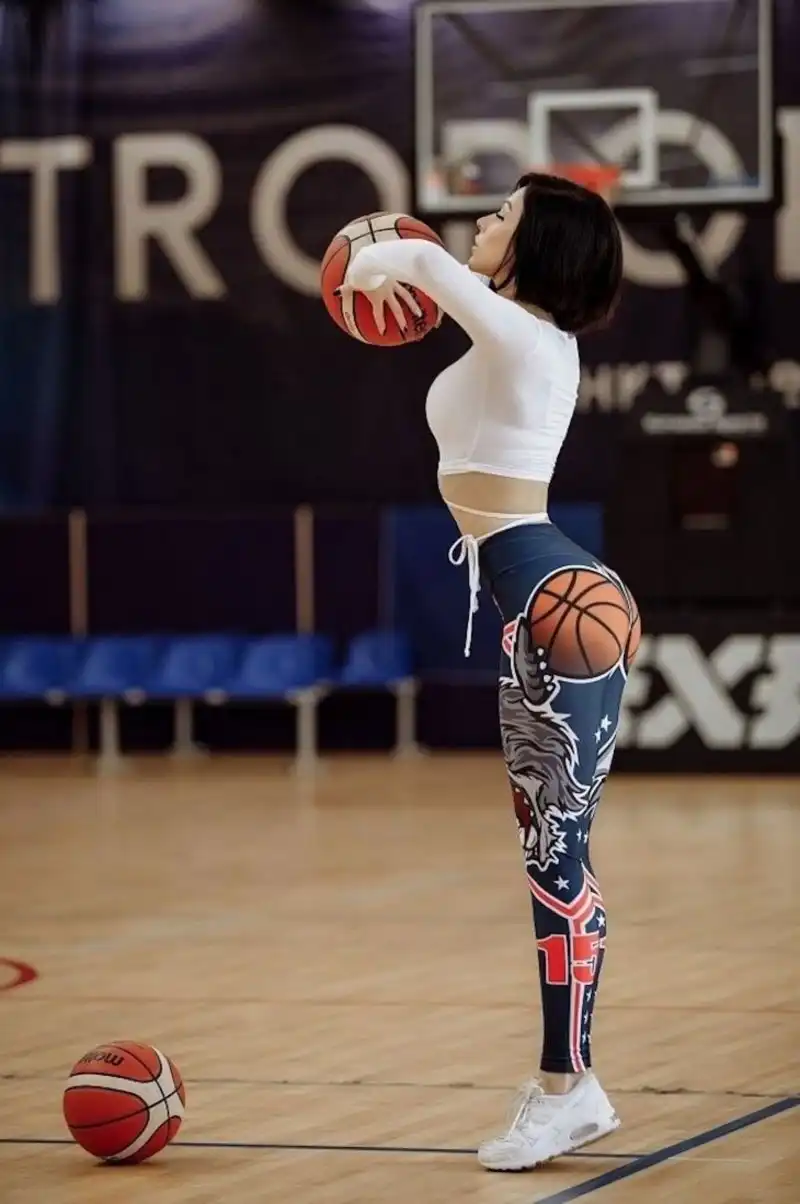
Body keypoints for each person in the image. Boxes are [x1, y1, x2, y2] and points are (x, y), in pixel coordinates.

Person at [337, 172, 639, 1172]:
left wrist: (374, 261)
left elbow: (411, 258)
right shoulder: (513, 339)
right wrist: (391, 279)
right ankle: (571, 1085)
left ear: (535, 245)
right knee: (554, 855)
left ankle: (566, 1090)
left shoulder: (526, 339)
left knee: (556, 857)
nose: (481, 220)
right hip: (539, 601)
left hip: (558, 606)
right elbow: (427, 277)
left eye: (501, 213)